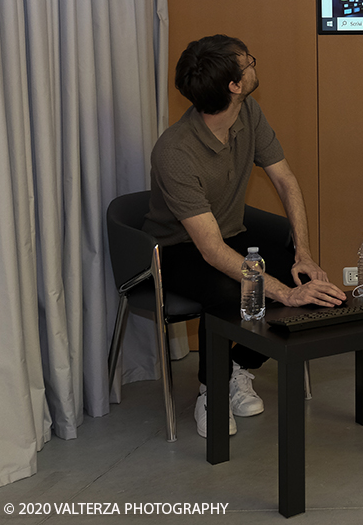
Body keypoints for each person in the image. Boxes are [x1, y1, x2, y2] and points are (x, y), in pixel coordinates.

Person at [144, 35, 346, 438]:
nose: (254, 65)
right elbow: (211, 250)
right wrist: (283, 295)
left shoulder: (247, 112)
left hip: (230, 234)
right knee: (229, 291)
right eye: (247, 62)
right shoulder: (175, 152)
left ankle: (238, 366)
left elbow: (286, 180)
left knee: (300, 279)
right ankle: (211, 390)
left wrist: (302, 254)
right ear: (234, 86)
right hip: (175, 250)